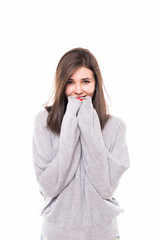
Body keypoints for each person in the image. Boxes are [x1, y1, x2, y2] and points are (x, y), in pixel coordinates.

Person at [32, 47, 130, 240]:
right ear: (61, 84)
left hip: (104, 234)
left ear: (96, 83)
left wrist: (87, 122)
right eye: (70, 82)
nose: (78, 90)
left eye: (85, 81)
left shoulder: (116, 126)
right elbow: (49, 187)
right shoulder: (44, 121)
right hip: (56, 234)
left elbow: (106, 187)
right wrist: (70, 123)